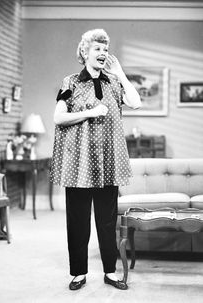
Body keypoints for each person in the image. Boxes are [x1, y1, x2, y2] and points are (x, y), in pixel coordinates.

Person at [50, 29, 141, 291]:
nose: (103, 53)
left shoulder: (113, 82)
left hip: (108, 162)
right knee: (77, 220)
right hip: (77, 163)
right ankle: (78, 273)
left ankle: (110, 272)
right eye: (97, 49)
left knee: (107, 220)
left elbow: (134, 102)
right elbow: (58, 117)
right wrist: (90, 112)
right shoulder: (71, 83)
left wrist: (121, 72)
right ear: (85, 52)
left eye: (106, 48)